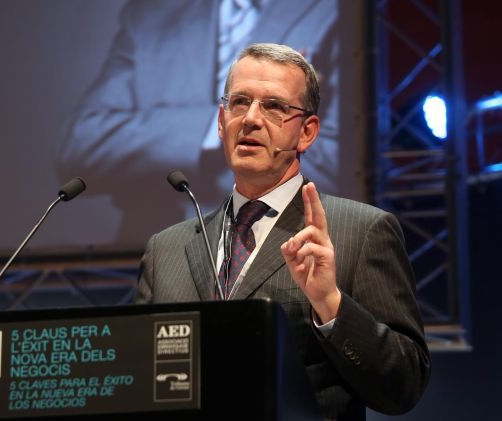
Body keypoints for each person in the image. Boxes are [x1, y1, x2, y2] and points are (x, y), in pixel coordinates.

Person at [135, 44, 430, 420]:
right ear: (222, 121)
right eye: (239, 103)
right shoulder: (167, 250)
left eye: (274, 106)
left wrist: (329, 303)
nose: (251, 119)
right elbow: (137, 380)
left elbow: (404, 385)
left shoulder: (361, 231)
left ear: (307, 132)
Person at [57, 0, 339, 243]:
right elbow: (83, 148)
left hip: (286, 262)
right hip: (158, 266)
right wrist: (213, 129)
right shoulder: (151, 16)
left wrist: (153, 139)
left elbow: (341, 164)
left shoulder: (345, 13)